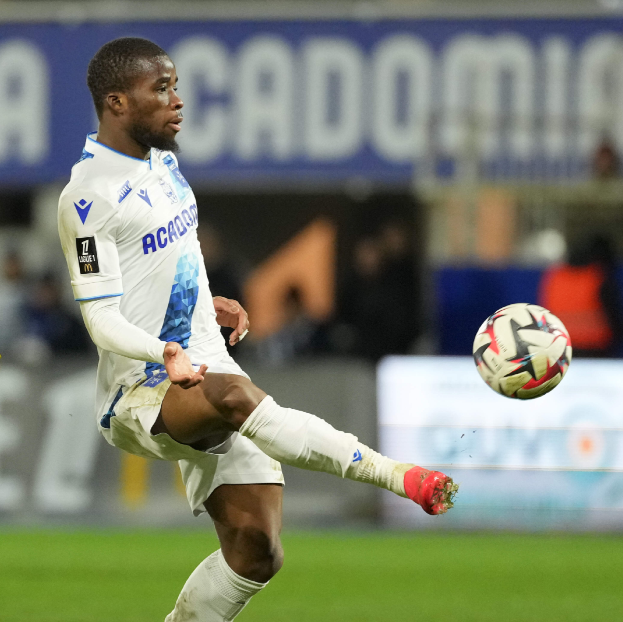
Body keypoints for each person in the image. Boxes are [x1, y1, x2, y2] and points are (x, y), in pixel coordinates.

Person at [56, 38, 457, 622]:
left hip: (200, 359)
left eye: (175, 85)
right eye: (161, 89)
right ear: (116, 102)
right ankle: (397, 475)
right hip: (142, 391)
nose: (178, 101)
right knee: (235, 396)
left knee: (256, 552)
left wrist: (200, 302)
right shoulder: (86, 199)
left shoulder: (162, 162)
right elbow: (100, 318)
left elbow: (163, 257)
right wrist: (164, 347)